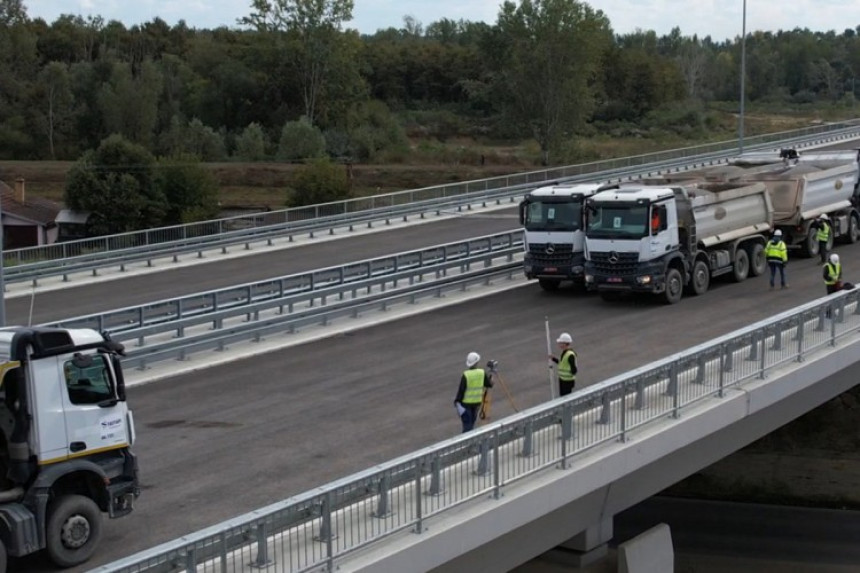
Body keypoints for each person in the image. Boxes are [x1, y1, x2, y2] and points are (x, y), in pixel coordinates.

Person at [453, 351, 493, 433]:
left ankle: (467, 444)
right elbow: (489, 384)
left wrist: (457, 402)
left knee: (467, 427)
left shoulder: (466, 375)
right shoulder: (481, 373)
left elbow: (461, 391)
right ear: (477, 362)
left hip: (466, 405)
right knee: (471, 425)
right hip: (476, 404)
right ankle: (470, 444)